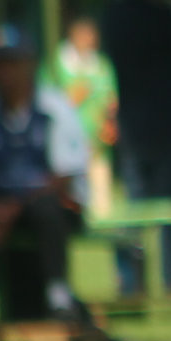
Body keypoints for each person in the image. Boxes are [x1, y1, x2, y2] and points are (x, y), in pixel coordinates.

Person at [0, 26, 91, 322]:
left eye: (12, 63)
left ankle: (58, 293)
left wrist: (15, 205)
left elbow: (64, 176)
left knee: (48, 209)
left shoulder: (54, 108)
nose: (4, 73)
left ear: (30, 64)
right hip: (5, 207)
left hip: (53, 205)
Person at [99, 0, 171, 296]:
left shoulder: (112, 16)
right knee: (170, 212)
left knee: (134, 211)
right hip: (169, 123)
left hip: (131, 126)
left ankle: (132, 285)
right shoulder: (166, 16)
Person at [42, 14, 116, 221]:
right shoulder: (58, 65)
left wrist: (109, 122)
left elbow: (110, 97)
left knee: (101, 200)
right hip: (67, 147)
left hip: (97, 143)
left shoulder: (100, 64)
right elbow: (45, 98)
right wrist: (69, 97)